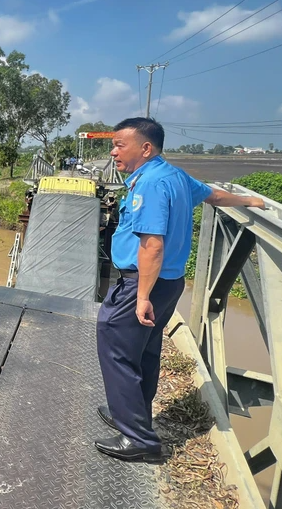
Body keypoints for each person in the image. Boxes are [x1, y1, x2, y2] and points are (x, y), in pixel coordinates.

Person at [95, 117, 265, 462]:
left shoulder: (151, 184)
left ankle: (139, 439)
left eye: (119, 145)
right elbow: (214, 195)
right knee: (143, 351)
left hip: (142, 283)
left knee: (116, 346)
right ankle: (131, 415)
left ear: (145, 148)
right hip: (170, 283)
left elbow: (152, 245)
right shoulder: (174, 176)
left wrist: (140, 297)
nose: (113, 152)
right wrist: (249, 202)